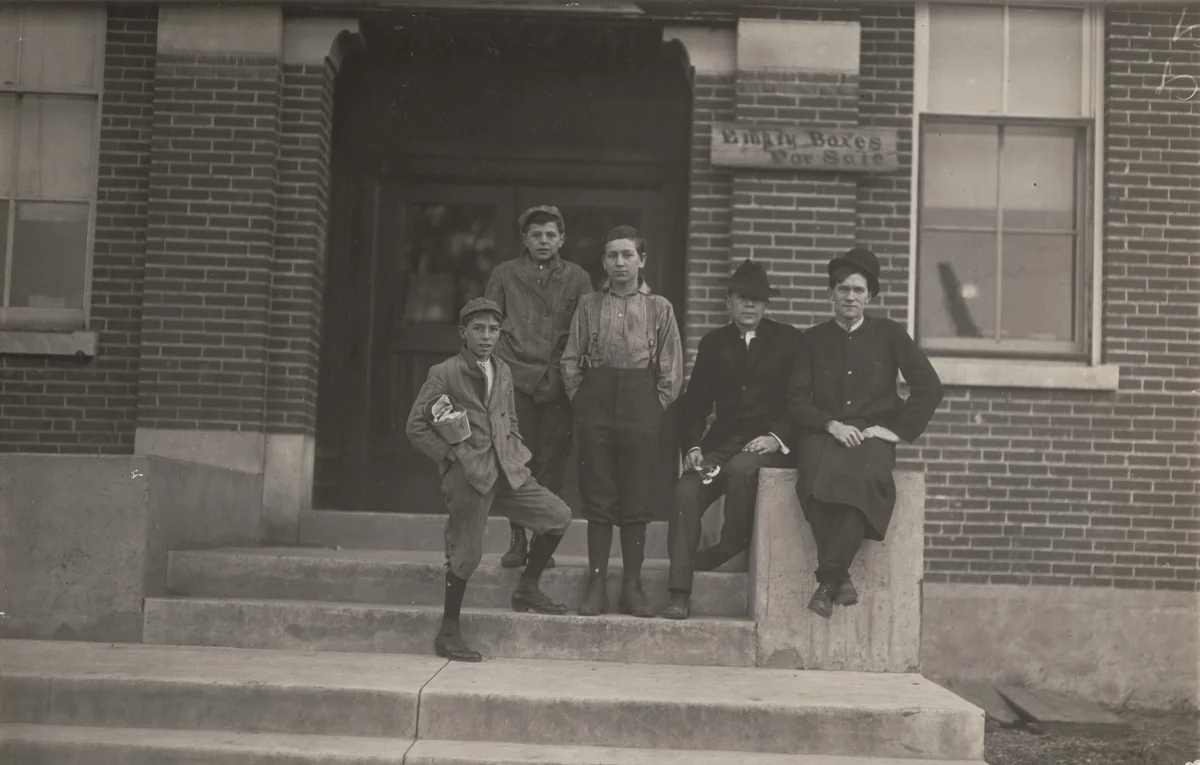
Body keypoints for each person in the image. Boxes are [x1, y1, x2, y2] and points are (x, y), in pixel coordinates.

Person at [405, 297, 572, 662]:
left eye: (493, 329)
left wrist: (514, 448)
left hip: (508, 470)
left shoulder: (504, 370)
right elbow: (416, 427)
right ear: (463, 333)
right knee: (467, 553)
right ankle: (448, 631)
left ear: (501, 334)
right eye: (478, 329)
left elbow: (509, 416)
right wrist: (453, 457)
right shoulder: (444, 373)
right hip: (470, 474)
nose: (486, 336)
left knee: (557, 516)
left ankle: (527, 588)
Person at [786, 247, 943, 619]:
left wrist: (895, 431)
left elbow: (929, 386)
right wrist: (830, 424)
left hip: (871, 435)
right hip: (824, 432)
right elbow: (795, 398)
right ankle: (839, 578)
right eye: (843, 289)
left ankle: (828, 581)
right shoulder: (812, 339)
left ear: (869, 296)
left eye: (858, 290)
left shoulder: (889, 334)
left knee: (866, 483)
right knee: (811, 483)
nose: (850, 297)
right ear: (831, 294)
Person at [662, 259, 802, 620]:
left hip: (766, 446)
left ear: (767, 304)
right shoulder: (714, 344)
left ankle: (730, 545)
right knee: (687, 489)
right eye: (742, 298)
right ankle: (679, 590)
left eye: (757, 299)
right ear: (729, 302)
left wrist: (776, 437)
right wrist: (693, 447)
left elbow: (801, 401)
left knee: (742, 471)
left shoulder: (789, 341)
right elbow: (694, 407)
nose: (750, 305)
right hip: (720, 447)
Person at [561, 224, 683, 618]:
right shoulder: (589, 305)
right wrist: (582, 398)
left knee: (637, 495)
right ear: (603, 262)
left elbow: (671, 370)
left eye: (627, 255)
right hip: (595, 402)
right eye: (612, 255)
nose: (619, 262)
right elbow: (570, 359)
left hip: (640, 404)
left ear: (642, 260)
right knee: (598, 494)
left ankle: (632, 587)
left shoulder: (659, 308)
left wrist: (651, 406)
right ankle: (596, 584)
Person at [486, 205, 592, 570]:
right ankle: (516, 539)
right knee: (515, 462)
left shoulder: (577, 277)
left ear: (561, 239)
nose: (543, 241)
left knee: (552, 463)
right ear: (525, 241)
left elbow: (586, 330)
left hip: (558, 384)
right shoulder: (505, 274)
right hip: (514, 380)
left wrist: (574, 374)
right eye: (536, 235)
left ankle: (540, 542)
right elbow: (489, 323)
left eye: (550, 235)